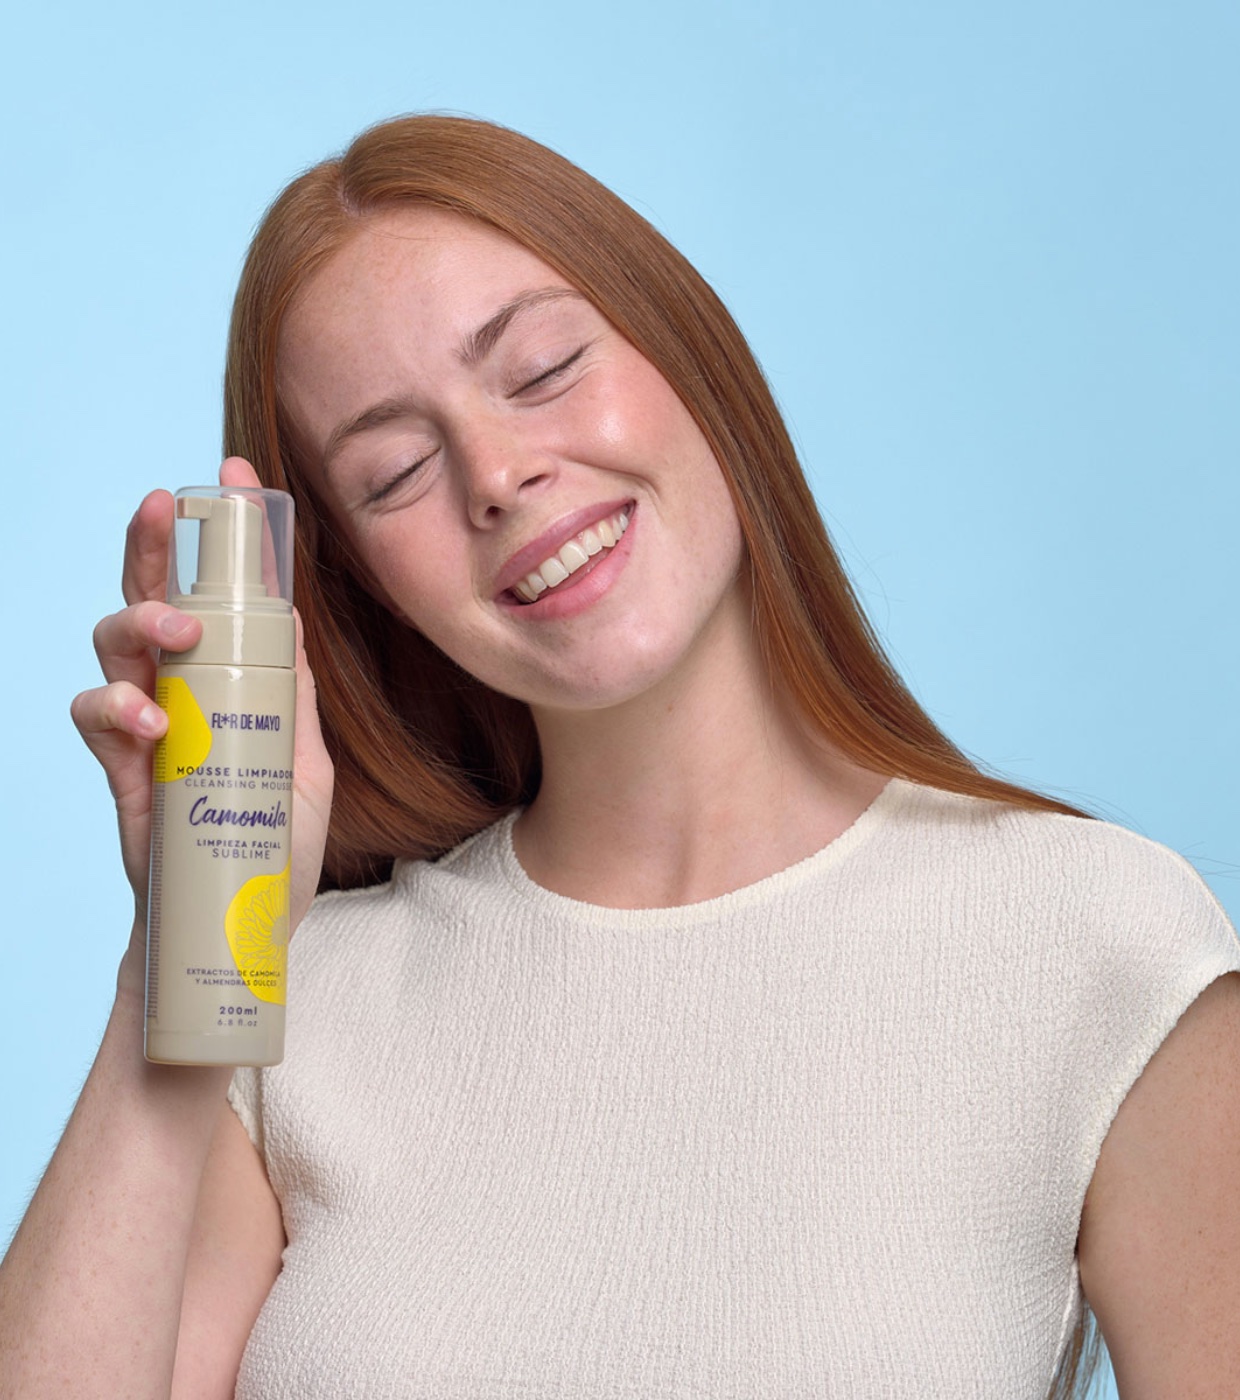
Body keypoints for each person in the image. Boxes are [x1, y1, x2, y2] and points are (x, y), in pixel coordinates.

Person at [1, 114, 1237, 1400]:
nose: (497, 473)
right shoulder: (289, 1007)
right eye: (396, 469)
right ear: (364, 584)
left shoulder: (1094, 938)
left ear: (689, 352)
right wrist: (189, 943)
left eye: (540, 368)